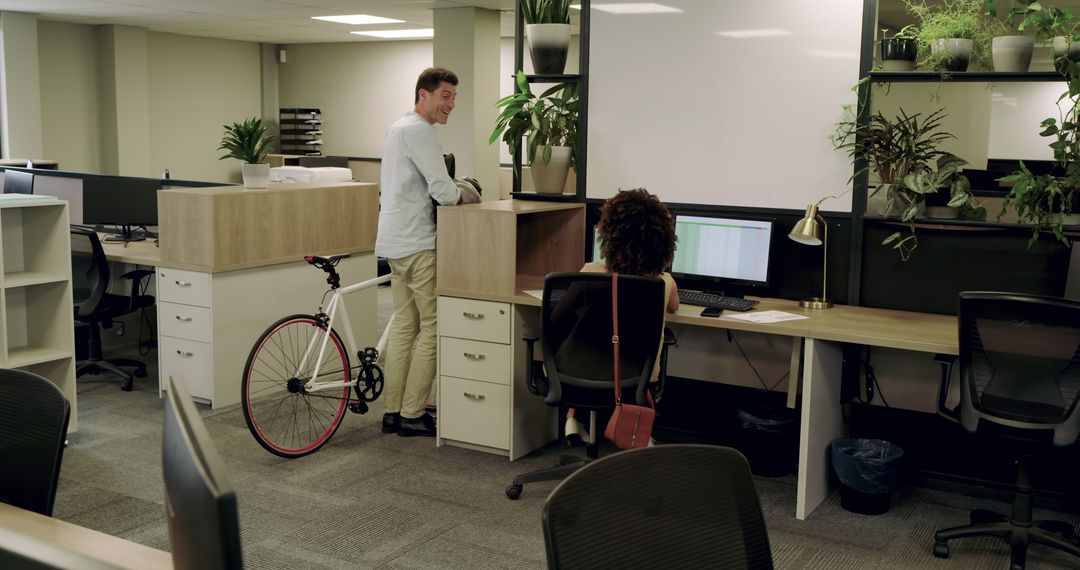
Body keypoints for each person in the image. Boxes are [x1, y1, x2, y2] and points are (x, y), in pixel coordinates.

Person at [377, 67, 479, 437]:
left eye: (454, 97)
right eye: (445, 96)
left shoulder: (398, 128)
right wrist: (468, 191)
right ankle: (412, 413)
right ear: (424, 94)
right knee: (434, 327)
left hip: (393, 240)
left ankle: (393, 411)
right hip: (418, 243)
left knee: (406, 325)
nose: (451, 104)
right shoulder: (420, 131)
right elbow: (444, 193)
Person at [565, 188, 679, 444]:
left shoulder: (589, 272)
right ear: (663, 242)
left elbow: (558, 316)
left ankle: (574, 417)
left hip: (578, 371)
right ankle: (631, 437)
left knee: (591, 347)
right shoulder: (664, 282)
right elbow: (674, 306)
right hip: (634, 376)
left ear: (608, 236)